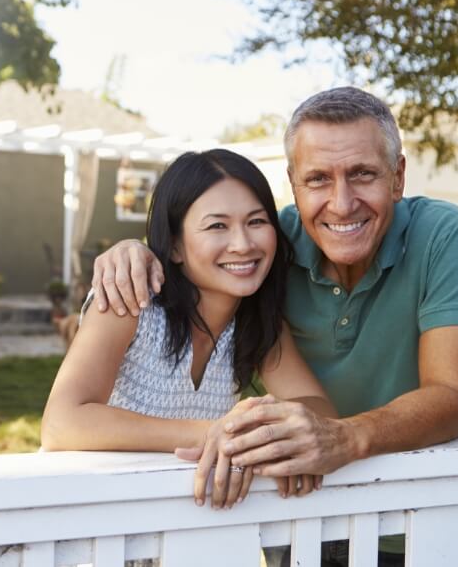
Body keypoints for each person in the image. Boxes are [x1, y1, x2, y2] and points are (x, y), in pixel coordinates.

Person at [90, 87, 458, 565]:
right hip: (299, 511)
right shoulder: (268, 246)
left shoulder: (446, 236)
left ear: (398, 177)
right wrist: (135, 251)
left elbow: (453, 395)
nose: (342, 203)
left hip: (414, 520)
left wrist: (344, 438)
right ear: (294, 184)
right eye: (319, 179)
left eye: (363, 174)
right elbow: (201, 246)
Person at [40, 148, 337, 510]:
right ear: (176, 245)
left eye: (257, 221)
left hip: (187, 523)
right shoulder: (131, 300)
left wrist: (256, 428)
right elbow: (61, 423)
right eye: (217, 226)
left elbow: (321, 411)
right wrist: (219, 433)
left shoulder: (257, 322)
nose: (243, 244)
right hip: (95, 515)